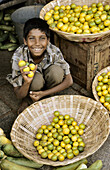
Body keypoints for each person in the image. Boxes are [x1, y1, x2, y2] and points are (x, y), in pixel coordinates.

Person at [6, 18, 73, 114]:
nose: (37, 43)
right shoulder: (19, 57)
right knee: (36, 80)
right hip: (32, 87)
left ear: (48, 40)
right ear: (25, 41)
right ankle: (29, 100)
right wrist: (27, 82)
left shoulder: (53, 51)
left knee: (56, 72)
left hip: (48, 84)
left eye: (42, 38)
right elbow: (18, 94)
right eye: (32, 38)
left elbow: (69, 81)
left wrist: (44, 93)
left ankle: (48, 95)